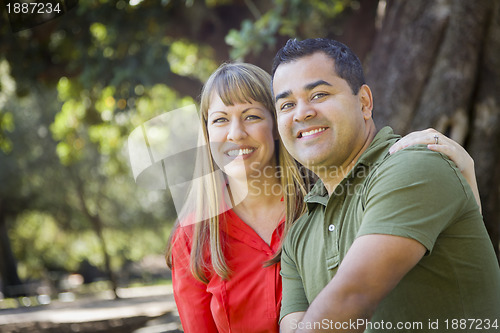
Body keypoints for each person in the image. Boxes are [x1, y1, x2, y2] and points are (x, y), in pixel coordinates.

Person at [164, 62, 483, 333]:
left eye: (252, 116)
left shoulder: (325, 202)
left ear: (276, 126)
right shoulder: (193, 237)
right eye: (220, 120)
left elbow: (445, 267)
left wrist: (464, 178)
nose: (235, 133)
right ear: (206, 133)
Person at [272, 38, 500, 333]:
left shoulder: (414, 166)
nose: (302, 113)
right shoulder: (298, 236)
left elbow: (353, 296)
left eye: (318, 94)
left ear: (364, 102)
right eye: (287, 104)